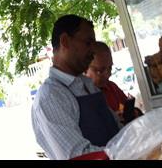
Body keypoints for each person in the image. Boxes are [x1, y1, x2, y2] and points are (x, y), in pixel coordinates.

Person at [31, 15, 120, 160]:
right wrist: (129, 150)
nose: (93, 50)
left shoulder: (89, 85)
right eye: (88, 42)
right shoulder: (51, 96)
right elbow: (78, 156)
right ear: (65, 41)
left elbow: (117, 130)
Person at [86, 41, 142, 123]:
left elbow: (127, 109)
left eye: (110, 68)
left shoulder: (112, 87)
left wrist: (135, 113)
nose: (108, 74)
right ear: (85, 69)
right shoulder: (81, 96)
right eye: (100, 70)